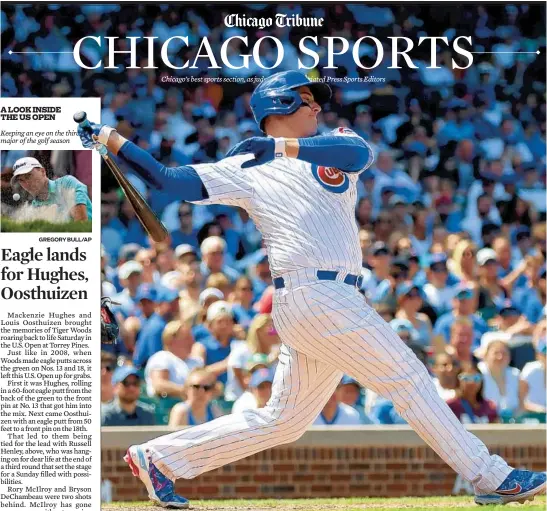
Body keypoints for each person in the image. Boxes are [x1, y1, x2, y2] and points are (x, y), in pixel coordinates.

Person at [79, 70, 545, 507]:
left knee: (283, 420)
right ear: (279, 102)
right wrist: (110, 140)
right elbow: (168, 181)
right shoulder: (246, 163)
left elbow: (357, 156)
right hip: (315, 294)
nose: (318, 107)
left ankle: (159, 458)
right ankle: (489, 477)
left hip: (324, 300)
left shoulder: (330, 144)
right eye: (307, 99)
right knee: (409, 379)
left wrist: (281, 148)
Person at [11, 156, 92, 221]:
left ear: (43, 171)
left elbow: (81, 224)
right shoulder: (34, 208)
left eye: (28, 176)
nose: (26, 183)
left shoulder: (67, 183)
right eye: (21, 180)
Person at [144, 320, 202, 399]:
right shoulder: (161, 357)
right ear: (171, 340)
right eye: (187, 338)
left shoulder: (197, 362)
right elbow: (158, 384)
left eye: (192, 338)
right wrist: (187, 391)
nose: (192, 342)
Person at [446, 359, 498, 425]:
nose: (471, 382)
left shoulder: (490, 407)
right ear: (458, 380)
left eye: (476, 378)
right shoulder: (450, 406)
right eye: (466, 378)